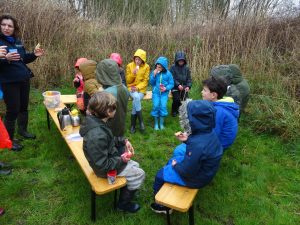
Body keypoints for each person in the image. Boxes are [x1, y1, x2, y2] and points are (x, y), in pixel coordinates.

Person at [150, 100, 223, 214]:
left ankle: (162, 206)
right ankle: (170, 184)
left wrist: (176, 166)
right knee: (171, 161)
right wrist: (187, 140)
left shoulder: (198, 145)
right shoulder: (208, 132)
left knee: (160, 175)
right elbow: (200, 149)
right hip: (205, 172)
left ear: (194, 120)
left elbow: (187, 171)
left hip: (196, 179)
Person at [80, 91, 145, 213]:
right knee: (139, 174)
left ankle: (127, 189)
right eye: (114, 109)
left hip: (106, 159)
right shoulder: (97, 134)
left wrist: (123, 141)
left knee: (135, 165)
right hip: (103, 170)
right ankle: (123, 204)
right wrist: (122, 159)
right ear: (109, 112)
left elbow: (108, 140)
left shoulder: (97, 122)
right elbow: (102, 164)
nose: (115, 111)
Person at [0, 15, 44, 151]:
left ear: (14, 28)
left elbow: (23, 59)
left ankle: (22, 131)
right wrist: (5, 58)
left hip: (24, 80)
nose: (6, 28)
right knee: (12, 110)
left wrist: (34, 55)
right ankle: (10, 140)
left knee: (23, 107)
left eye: (10, 26)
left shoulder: (17, 41)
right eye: (4, 25)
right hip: (9, 82)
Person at [173, 77, 239, 158]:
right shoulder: (223, 104)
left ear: (213, 95)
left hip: (216, 145)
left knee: (179, 151)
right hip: (216, 140)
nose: (201, 92)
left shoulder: (218, 112)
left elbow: (211, 137)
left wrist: (190, 139)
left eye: (204, 90)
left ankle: (187, 167)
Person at [96, 58, 133, 155]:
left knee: (110, 156)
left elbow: (97, 116)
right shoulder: (124, 88)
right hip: (120, 128)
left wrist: (99, 94)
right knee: (120, 151)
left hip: (108, 132)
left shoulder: (106, 94)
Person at [126, 49, 150, 133]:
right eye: (136, 59)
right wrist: (133, 73)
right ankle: (141, 123)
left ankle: (133, 125)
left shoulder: (146, 67)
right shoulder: (129, 65)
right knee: (136, 97)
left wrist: (138, 88)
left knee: (135, 100)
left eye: (139, 59)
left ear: (143, 60)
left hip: (141, 90)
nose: (137, 61)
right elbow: (128, 81)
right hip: (131, 88)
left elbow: (145, 81)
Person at [150, 56, 174, 130]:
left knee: (163, 106)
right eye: (157, 66)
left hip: (164, 93)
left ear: (164, 67)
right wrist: (153, 76)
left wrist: (166, 88)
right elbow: (151, 83)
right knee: (156, 106)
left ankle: (161, 124)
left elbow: (171, 84)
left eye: (159, 67)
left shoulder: (168, 74)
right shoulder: (155, 72)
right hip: (156, 93)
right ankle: (156, 124)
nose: (158, 68)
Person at [170, 51, 192, 117]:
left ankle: (183, 110)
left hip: (184, 86)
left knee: (185, 99)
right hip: (175, 87)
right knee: (176, 99)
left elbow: (189, 78)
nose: (181, 62)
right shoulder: (172, 67)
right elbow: (171, 78)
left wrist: (188, 86)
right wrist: (178, 85)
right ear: (176, 60)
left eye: (182, 60)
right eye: (179, 60)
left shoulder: (187, 68)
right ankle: (174, 110)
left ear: (184, 60)